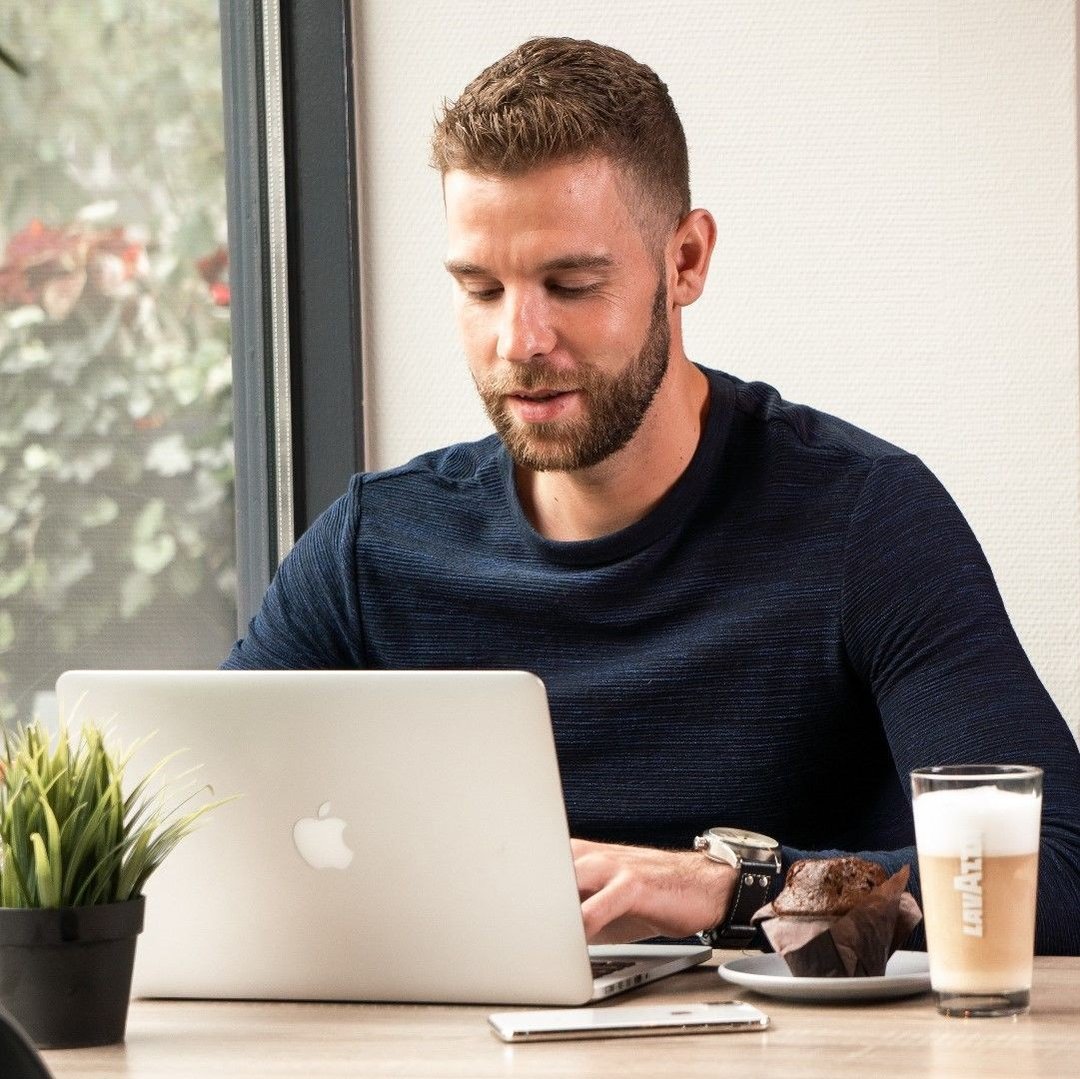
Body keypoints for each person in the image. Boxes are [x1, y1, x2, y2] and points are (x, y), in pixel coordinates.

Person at [224, 37, 1080, 953]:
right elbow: (189, 828)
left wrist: (734, 884)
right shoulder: (374, 549)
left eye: (572, 284)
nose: (521, 338)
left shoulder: (864, 519)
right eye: (480, 288)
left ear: (685, 261)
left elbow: (1063, 870)